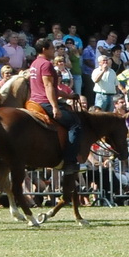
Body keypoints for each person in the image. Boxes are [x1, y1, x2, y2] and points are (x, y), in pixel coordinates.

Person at [28, 37, 81, 172]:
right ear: (44, 49)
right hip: (45, 102)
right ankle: (69, 161)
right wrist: (55, 107)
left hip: (33, 102)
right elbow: (48, 86)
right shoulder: (46, 64)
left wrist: (69, 96)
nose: (54, 50)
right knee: (75, 124)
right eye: (52, 48)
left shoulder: (34, 63)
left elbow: (53, 88)